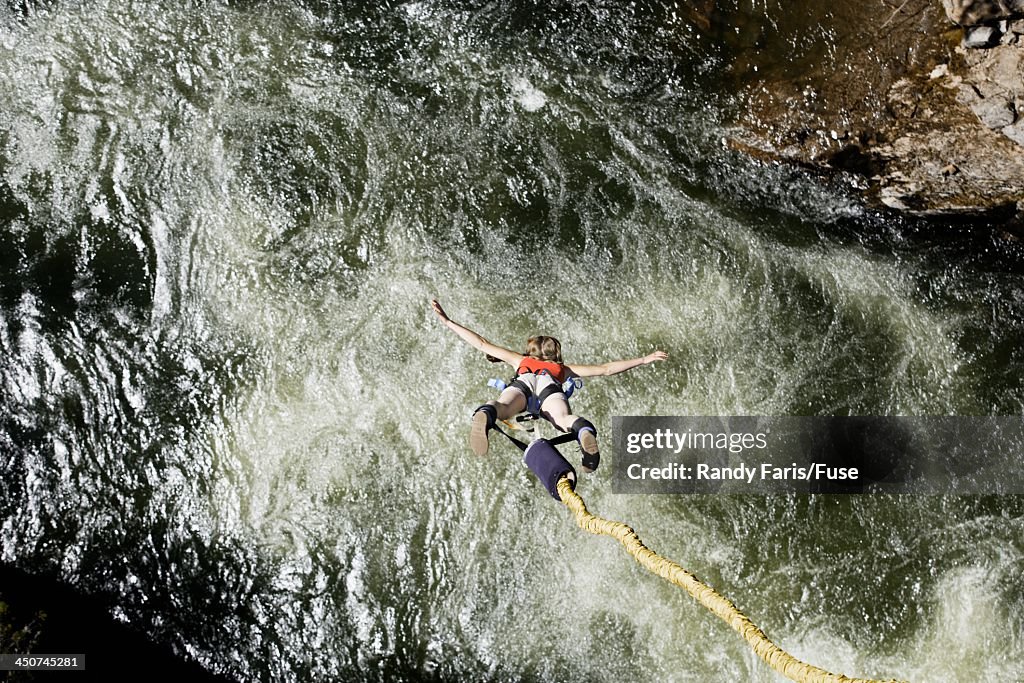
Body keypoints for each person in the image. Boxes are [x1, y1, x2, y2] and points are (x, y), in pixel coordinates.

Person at [431, 299, 668, 472]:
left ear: (530, 352)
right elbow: (606, 369)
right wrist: (643, 359)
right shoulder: (563, 369)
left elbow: (481, 344)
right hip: (550, 387)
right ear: (556, 354)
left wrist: (448, 322)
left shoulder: (520, 360)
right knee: (564, 420)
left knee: (502, 407)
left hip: (524, 382)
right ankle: (584, 431)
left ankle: (487, 412)